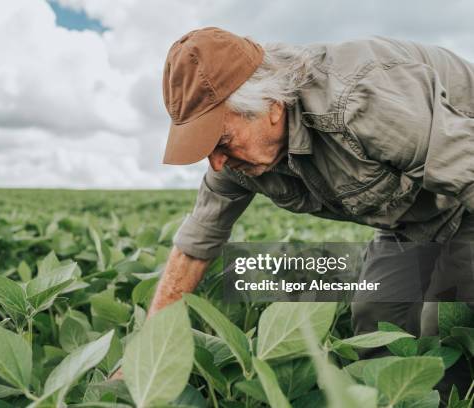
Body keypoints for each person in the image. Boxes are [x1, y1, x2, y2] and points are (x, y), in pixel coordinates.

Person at [116, 27, 474, 396]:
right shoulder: (239, 161)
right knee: (376, 317)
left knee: (447, 322)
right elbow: (196, 242)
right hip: (411, 213)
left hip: (466, 180)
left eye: (221, 142)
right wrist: (140, 359)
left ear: (271, 107)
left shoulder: (358, 101)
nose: (218, 163)